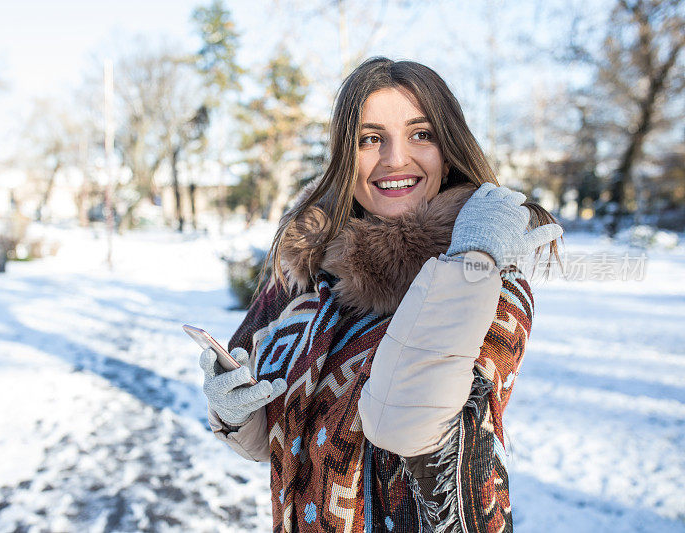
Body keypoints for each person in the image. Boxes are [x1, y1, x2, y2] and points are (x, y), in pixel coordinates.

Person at [200, 57, 563, 532]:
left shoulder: (492, 281)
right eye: (370, 139)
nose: (394, 159)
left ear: (449, 149)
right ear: (344, 158)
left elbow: (407, 423)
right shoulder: (311, 269)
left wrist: (471, 258)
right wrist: (237, 414)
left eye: (421, 134)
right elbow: (280, 433)